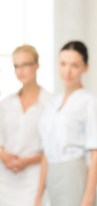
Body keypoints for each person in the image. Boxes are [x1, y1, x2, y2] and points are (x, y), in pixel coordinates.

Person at [0, 45, 51, 206]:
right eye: (16, 66)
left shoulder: (51, 104)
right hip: (5, 180)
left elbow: (51, 148)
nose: (20, 70)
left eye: (25, 65)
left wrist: (26, 161)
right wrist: (3, 155)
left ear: (36, 65)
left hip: (33, 180)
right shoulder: (6, 104)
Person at [36, 41, 97, 206]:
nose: (67, 71)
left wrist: (88, 199)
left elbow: (95, 153)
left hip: (74, 175)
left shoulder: (89, 101)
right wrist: (38, 196)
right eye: (63, 64)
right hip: (52, 177)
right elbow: (45, 153)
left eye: (74, 65)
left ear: (86, 67)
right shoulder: (52, 104)